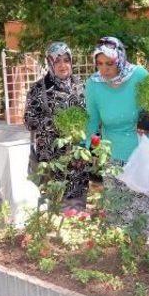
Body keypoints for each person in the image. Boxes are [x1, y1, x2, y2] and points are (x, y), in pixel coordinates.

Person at [85, 36, 149, 232]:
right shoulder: (94, 84)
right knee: (117, 213)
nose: (104, 69)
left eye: (110, 63)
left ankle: (139, 255)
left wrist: (147, 119)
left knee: (139, 214)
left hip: (142, 149)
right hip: (113, 153)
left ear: (120, 58)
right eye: (100, 63)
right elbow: (91, 120)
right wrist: (85, 148)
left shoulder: (138, 75)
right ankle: (121, 258)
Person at [24, 42, 88, 208]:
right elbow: (29, 121)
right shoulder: (39, 89)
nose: (62, 65)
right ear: (49, 63)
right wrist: (56, 123)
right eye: (57, 61)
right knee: (55, 206)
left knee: (77, 208)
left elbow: (90, 116)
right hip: (51, 159)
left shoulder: (81, 85)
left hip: (77, 160)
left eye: (66, 60)